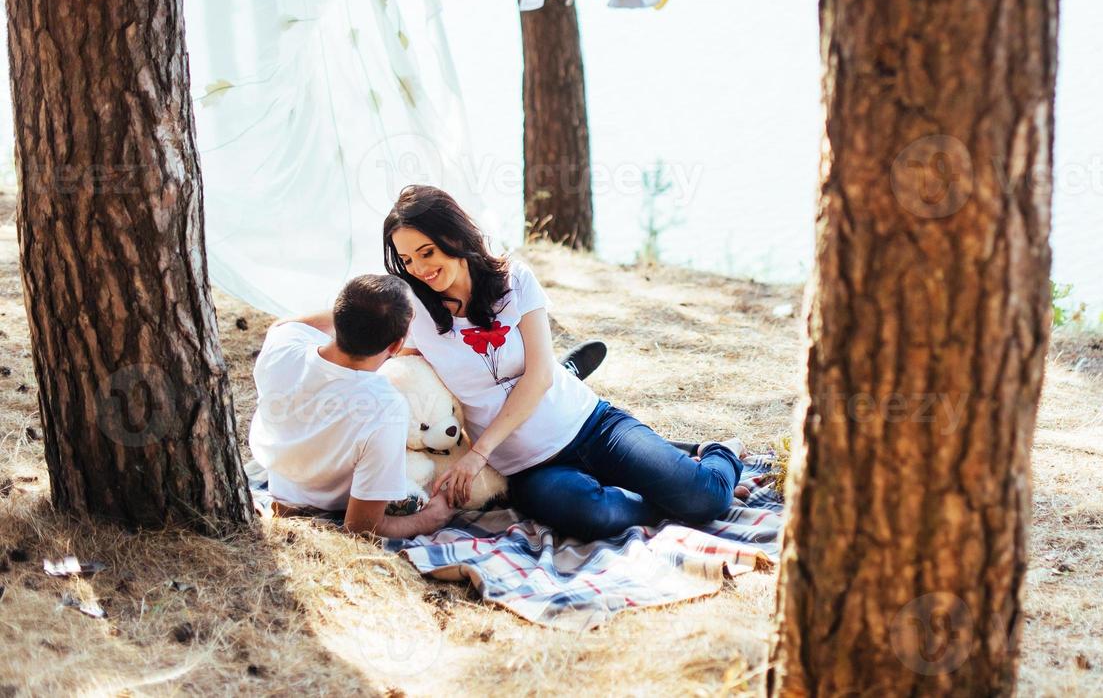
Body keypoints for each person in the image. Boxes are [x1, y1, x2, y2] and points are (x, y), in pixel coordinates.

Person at [383, 184, 744, 542]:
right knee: (592, 515)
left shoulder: (514, 281)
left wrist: (478, 453)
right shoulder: (417, 314)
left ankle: (722, 451)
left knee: (706, 498)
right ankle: (667, 500)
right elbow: (352, 320)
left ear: (453, 235)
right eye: (408, 261)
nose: (419, 269)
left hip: (593, 425)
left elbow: (538, 376)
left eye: (426, 252)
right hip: (531, 470)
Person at [248, 273, 455, 537]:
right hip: (329, 506)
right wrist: (433, 518)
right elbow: (361, 528)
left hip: (281, 484)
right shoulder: (385, 407)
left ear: (337, 315)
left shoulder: (283, 346)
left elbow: (284, 325)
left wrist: (352, 310)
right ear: (396, 345)